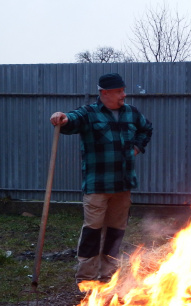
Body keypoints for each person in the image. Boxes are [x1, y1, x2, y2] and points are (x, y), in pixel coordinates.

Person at [50, 72, 153, 283]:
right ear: (104, 92)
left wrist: (137, 147)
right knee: (92, 233)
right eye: (119, 91)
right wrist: (63, 117)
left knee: (116, 232)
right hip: (97, 185)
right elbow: (72, 121)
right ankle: (86, 279)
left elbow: (146, 128)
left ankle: (108, 276)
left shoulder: (132, 113)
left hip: (123, 185)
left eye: (124, 90)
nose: (124, 94)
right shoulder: (89, 113)